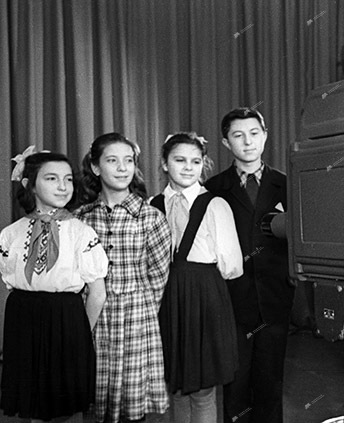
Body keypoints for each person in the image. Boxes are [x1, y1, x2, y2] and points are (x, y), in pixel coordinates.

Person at [0, 149, 107, 422]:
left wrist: (78, 333)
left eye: (68, 179)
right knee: (33, 405)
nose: (62, 186)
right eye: (51, 178)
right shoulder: (11, 234)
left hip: (67, 323)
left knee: (66, 408)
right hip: (24, 323)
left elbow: (97, 293)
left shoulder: (81, 233)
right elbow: (9, 287)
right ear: (30, 184)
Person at [204, 107, 294, 423]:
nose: (248, 142)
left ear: (265, 136)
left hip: (275, 299)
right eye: (238, 136)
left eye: (254, 133)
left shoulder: (288, 184)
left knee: (271, 384)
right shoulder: (214, 188)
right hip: (231, 301)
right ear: (226, 142)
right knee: (235, 384)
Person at [76, 133, 172, 422]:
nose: (122, 168)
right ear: (95, 167)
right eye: (112, 160)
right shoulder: (82, 218)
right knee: (97, 402)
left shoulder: (150, 216)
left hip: (136, 323)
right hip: (93, 320)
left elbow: (158, 274)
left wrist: (140, 310)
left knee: (132, 409)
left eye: (128, 161)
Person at [149, 132, 243, 422]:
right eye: (179, 160)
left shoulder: (216, 205)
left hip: (204, 299)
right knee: (175, 386)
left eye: (196, 161)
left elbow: (231, 266)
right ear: (165, 163)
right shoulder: (151, 205)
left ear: (204, 165)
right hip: (165, 300)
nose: (189, 167)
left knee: (203, 390)